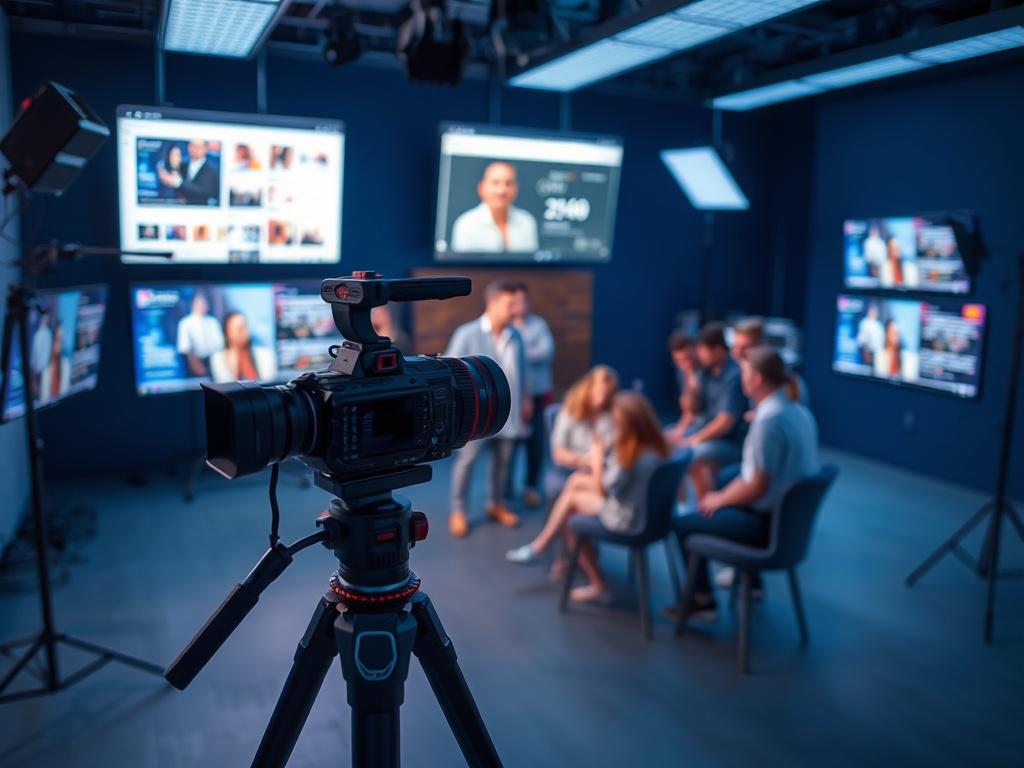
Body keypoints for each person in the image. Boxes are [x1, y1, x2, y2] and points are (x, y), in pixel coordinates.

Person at [668, 346, 820, 621]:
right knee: (725, 479)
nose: (741, 377)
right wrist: (724, 493)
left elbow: (757, 487)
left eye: (745, 371)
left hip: (765, 527)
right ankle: (750, 582)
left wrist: (718, 499)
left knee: (683, 525)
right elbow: (756, 477)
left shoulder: (768, 422)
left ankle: (702, 600)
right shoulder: (800, 412)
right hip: (790, 526)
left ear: (757, 378)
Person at [505, 391, 670, 604]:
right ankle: (549, 548)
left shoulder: (630, 454)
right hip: (646, 512)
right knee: (575, 481)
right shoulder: (654, 447)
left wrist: (598, 455)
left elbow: (604, 489)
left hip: (626, 516)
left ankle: (596, 581)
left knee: (571, 514)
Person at [446, 280, 532, 538]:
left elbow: (522, 370)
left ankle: (496, 504)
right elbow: (449, 370)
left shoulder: (516, 335)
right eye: (510, 304)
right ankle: (458, 510)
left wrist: (526, 398)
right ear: (492, 303)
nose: (516, 310)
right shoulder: (467, 333)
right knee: (468, 461)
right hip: (478, 416)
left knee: (504, 462)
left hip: (509, 413)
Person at [674, 323, 747, 500]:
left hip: (731, 442)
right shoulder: (705, 371)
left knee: (693, 454)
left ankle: (706, 507)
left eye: (703, 350)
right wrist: (689, 376)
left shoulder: (734, 375)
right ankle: (683, 506)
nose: (699, 355)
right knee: (669, 443)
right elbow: (691, 409)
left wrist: (693, 440)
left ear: (719, 350)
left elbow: (725, 423)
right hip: (706, 431)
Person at [545, 364, 619, 506]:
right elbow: (558, 454)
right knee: (576, 484)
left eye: (607, 395)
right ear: (589, 388)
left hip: (604, 469)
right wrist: (586, 461)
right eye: (600, 393)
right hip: (574, 468)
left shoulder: (611, 415)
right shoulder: (570, 411)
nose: (602, 400)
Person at [509, 282, 555, 508]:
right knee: (508, 445)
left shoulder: (539, 325)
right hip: (511, 397)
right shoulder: (506, 326)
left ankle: (531, 486)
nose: (521, 304)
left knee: (535, 444)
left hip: (537, 395)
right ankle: (505, 490)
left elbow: (546, 352)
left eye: (524, 300)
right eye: (516, 300)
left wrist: (518, 352)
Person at [450, 161, 539, 253]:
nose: (502, 191)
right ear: (481, 188)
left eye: (508, 183)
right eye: (495, 183)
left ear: (516, 189)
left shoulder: (527, 222)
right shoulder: (466, 225)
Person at [210, 311, 277, 383]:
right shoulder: (218, 358)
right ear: (227, 332)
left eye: (245, 326)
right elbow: (225, 385)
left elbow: (268, 383)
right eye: (238, 328)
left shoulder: (266, 355)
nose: (243, 331)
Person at [665, 331, 705, 448]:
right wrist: (679, 431)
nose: (684, 364)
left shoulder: (705, 370)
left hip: (703, 426)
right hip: (693, 424)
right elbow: (687, 411)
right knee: (665, 435)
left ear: (696, 349)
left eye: (687, 358)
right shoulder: (683, 372)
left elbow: (693, 407)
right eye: (679, 361)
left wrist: (681, 434)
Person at [176, 292, 224, 377]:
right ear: (192, 305)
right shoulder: (185, 323)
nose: (202, 306)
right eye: (199, 303)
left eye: (204, 303)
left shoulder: (213, 321)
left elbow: (220, 344)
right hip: (194, 362)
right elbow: (185, 349)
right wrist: (196, 366)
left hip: (214, 360)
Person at [158, 139, 220, 205]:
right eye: (192, 146)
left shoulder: (213, 170)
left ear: (205, 149)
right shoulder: (181, 165)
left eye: (198, 147)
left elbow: (205, 192)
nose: (195, 149)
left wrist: (178, 183)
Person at [39, 320, 70, 404]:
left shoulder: (65, 364)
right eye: (57, 339)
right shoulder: (44, 363)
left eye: (61, 340)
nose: (59, 344)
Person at [856, 301, 885, 367]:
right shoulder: (864, 322)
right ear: (869, 311)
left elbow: (881, 342)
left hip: (877, 354)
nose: (873, 312)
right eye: (872, 310)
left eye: (875, 311)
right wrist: (866, 354)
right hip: (866, 353)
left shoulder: (879, 325)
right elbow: (862, 341)